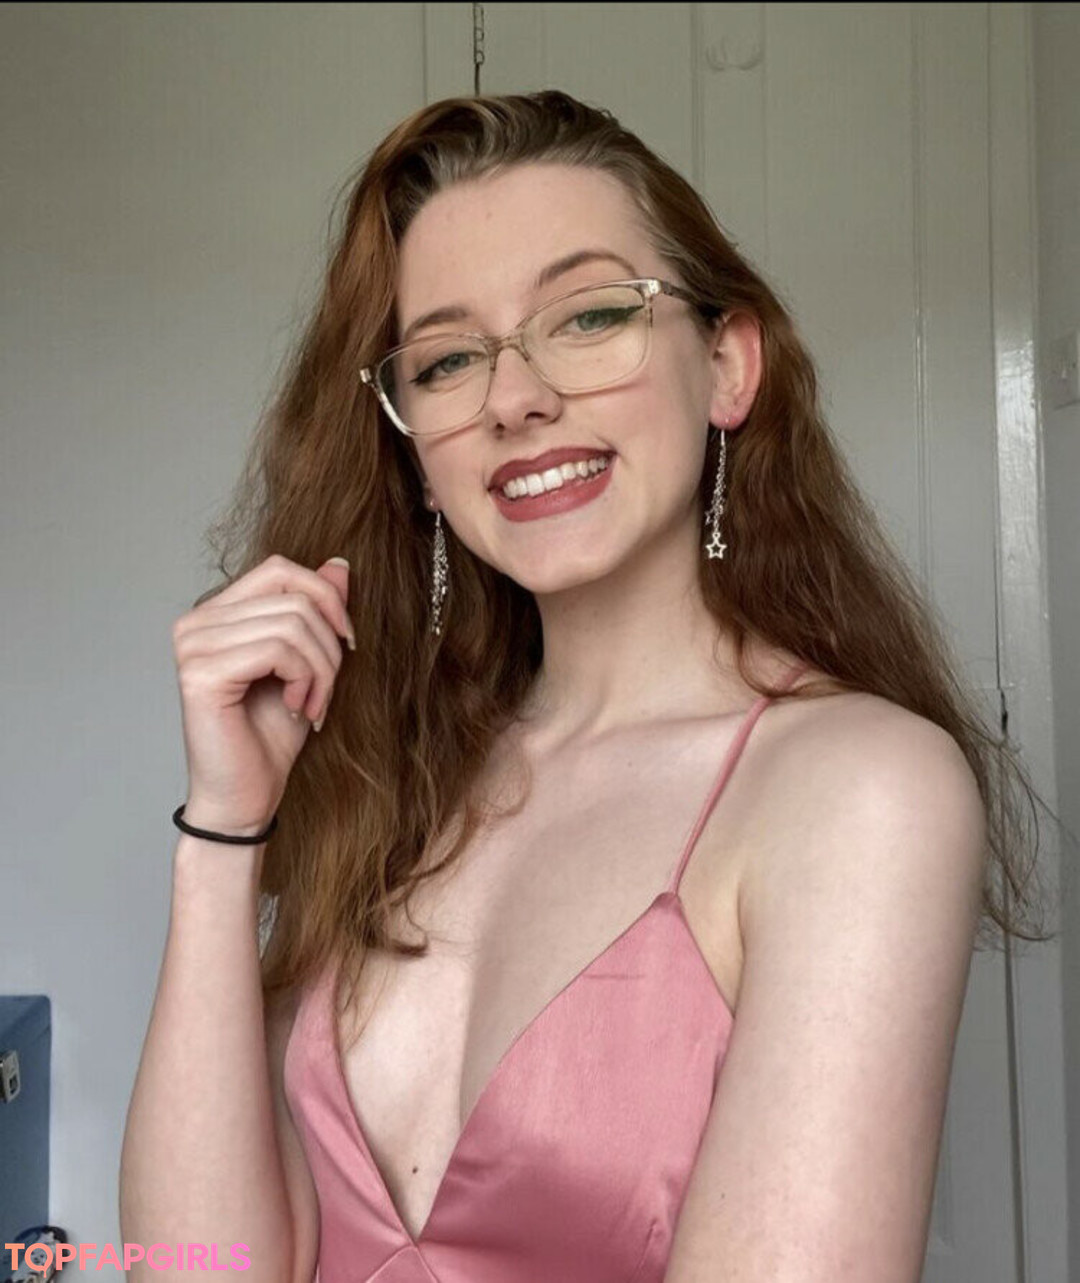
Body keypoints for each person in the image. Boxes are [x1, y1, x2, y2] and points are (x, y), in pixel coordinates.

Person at [120, 91, 1051, 1283]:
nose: (514, 397)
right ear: (417, 448)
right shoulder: (390, 775)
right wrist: (223, 828)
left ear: (727, 365)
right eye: (449, 358)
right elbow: (186, 1266)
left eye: (591, 315)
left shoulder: (860, 789)